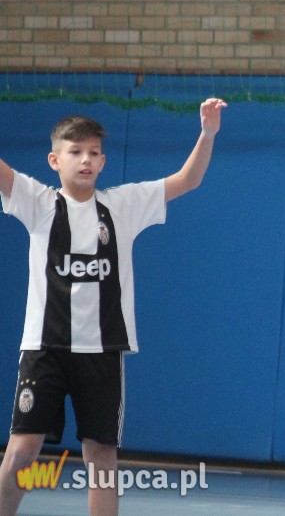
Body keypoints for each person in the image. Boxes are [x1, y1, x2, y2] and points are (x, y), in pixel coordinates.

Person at [0, 98, 228, 516]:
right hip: (44, 350)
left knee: (102, 458)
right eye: (75, 151)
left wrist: (208, 133)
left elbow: (188, 179)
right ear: (55, 160)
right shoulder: (38, 202)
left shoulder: (122, 205)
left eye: (93, 152)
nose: (85, 159)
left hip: (102, 353)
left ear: (103, 161)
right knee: (21, 453)